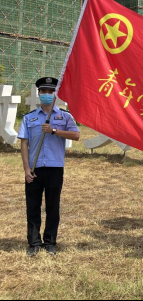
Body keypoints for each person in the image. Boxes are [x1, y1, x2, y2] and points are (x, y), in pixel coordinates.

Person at [18, 77, 81, 257]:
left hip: (55, 167)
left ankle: (50, 242)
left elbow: (76, 135)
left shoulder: (64, 116)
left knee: (53, 206)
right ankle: (34, 243)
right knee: (33, 206)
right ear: (39, 94)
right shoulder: (29, 117)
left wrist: (54, 130)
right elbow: (24, 144)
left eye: (50, 92)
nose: (47, 94)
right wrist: (26, 169)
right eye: (43, 91)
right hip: (35, 169)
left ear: (55, 94)